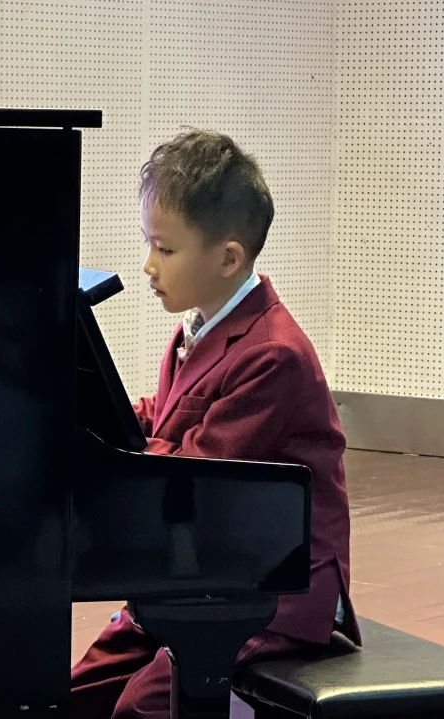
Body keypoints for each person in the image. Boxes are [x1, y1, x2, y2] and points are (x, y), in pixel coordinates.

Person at [70, 129, 359, 719]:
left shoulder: (274, 354)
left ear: (228, 258)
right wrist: (102, 416)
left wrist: (115, 450)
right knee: (69, 696)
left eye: (165, 249)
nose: (148, 265)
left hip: (270, 592)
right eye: (149, 244)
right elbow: (167, 416)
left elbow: (198, 472)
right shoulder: (198, 327)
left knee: (141, 710)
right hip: (202, 571)